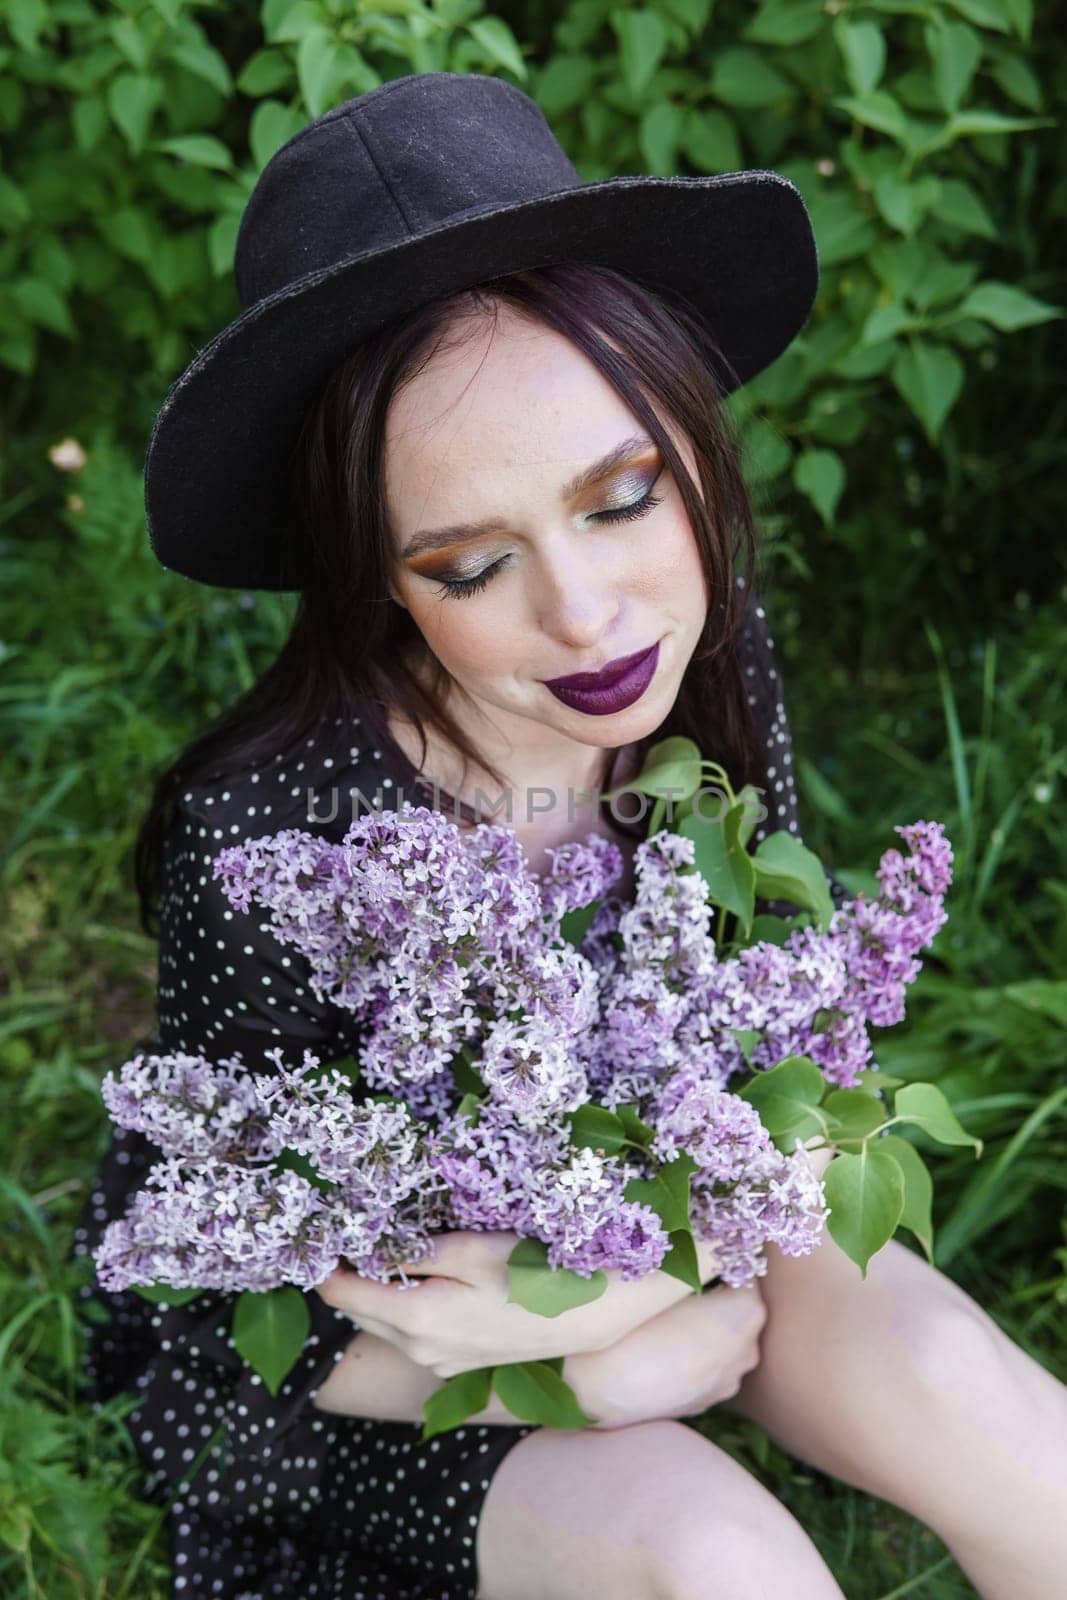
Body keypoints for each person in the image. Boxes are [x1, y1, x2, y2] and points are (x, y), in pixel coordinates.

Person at [73, 72, 1067, 1600]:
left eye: (624, 499)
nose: (591, 618)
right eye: (471, 566)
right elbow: (246, 1310)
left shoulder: (697, 645)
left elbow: (772, 1053)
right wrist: (584, 1363)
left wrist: (655, 1288)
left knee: (994, 1419)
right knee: (716, 1562)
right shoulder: (267, 838)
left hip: (668, 1221)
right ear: (374, 583)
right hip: (372, 1369)